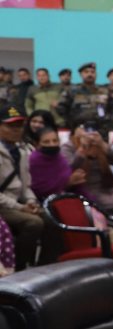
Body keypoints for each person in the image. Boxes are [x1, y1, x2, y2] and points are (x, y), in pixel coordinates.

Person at [0, 106, 61, 267]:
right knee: (33, 223)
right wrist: (20, 207)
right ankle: (19, 267)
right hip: (4, 205)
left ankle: (46, 264)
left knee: (51, 218)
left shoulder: (22, 151)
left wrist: (31, 201)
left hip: (17, 203)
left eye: (19, 126)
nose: (16, 130)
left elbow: (26, 185)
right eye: (10, 126)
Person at [28, 125, 74, 201]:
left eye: (55, 141)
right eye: (46, 142)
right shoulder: (33, 161)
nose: (52, 144)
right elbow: (38, 189)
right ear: (37, 144)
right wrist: (67, 182)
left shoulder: (60, 158)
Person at [60, 61, 107, 129]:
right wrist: (72, 124)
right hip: (78, 128)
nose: (90, 74)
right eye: (86, 72)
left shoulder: (104, 91)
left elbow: (111, 108)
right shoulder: (71, 90)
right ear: (81, 74)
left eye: (92, 72)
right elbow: (61, 108)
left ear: (96, 74)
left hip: (101, 128)